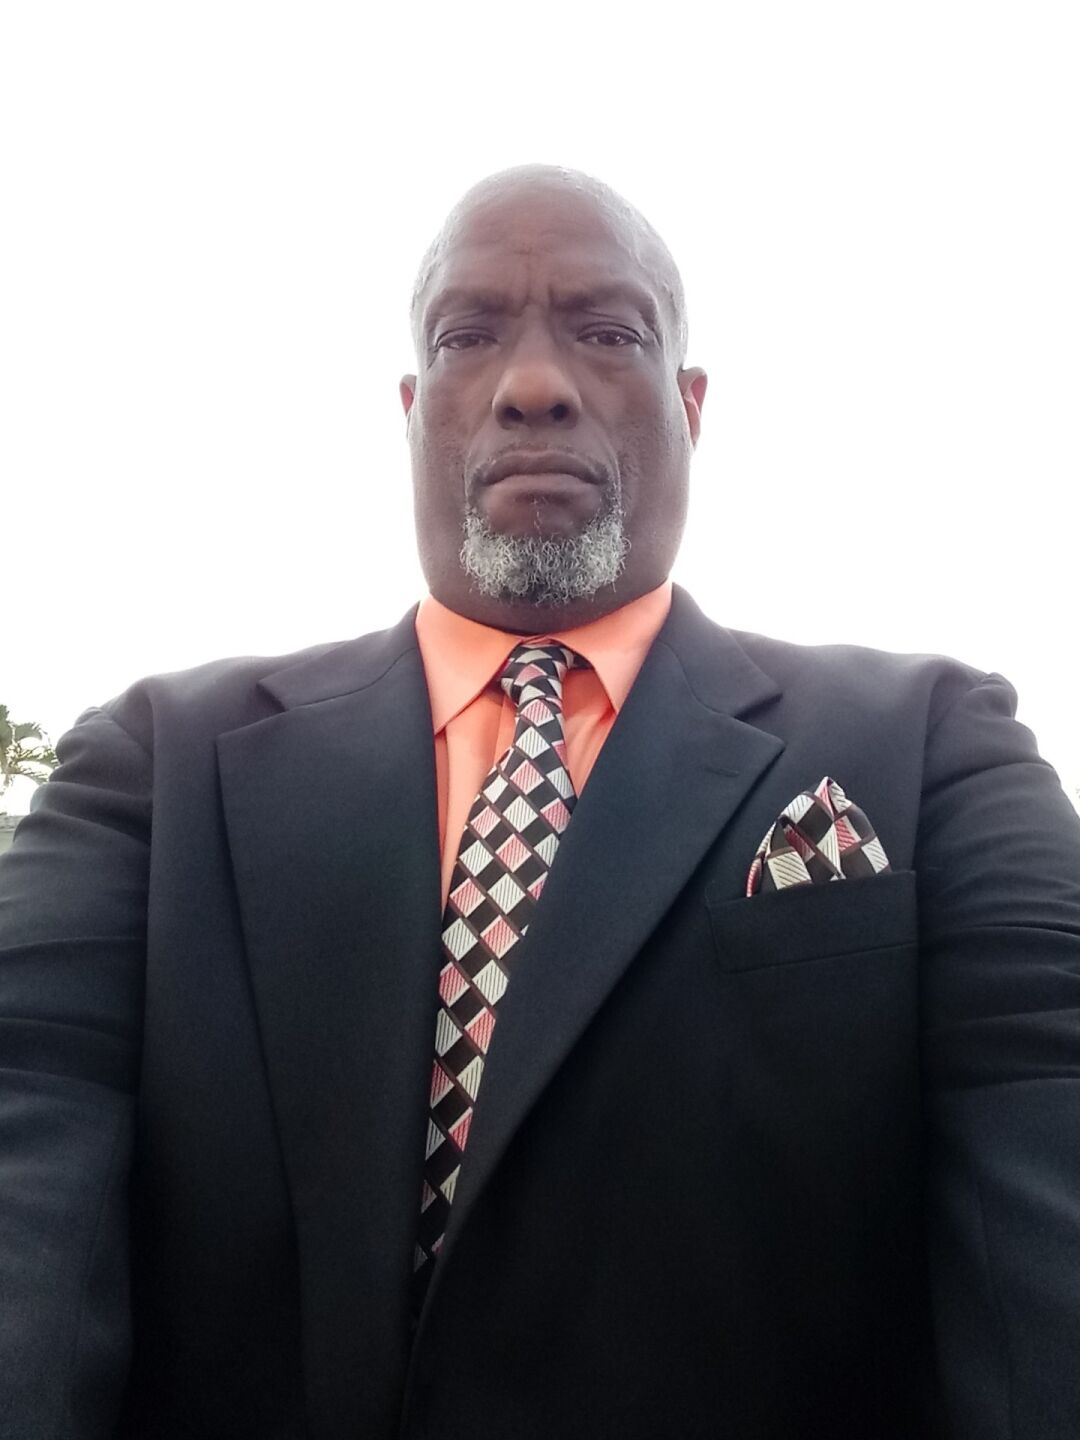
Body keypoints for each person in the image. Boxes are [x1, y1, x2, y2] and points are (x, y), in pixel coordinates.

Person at [1, 164, 1078, 1440]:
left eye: (607, 332)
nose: (532, 384)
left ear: (691, 405)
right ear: (414, 410)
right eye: (467, 337)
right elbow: (27, 1144)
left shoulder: (933, 743)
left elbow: (1046, 1151)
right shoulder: (155, 764)